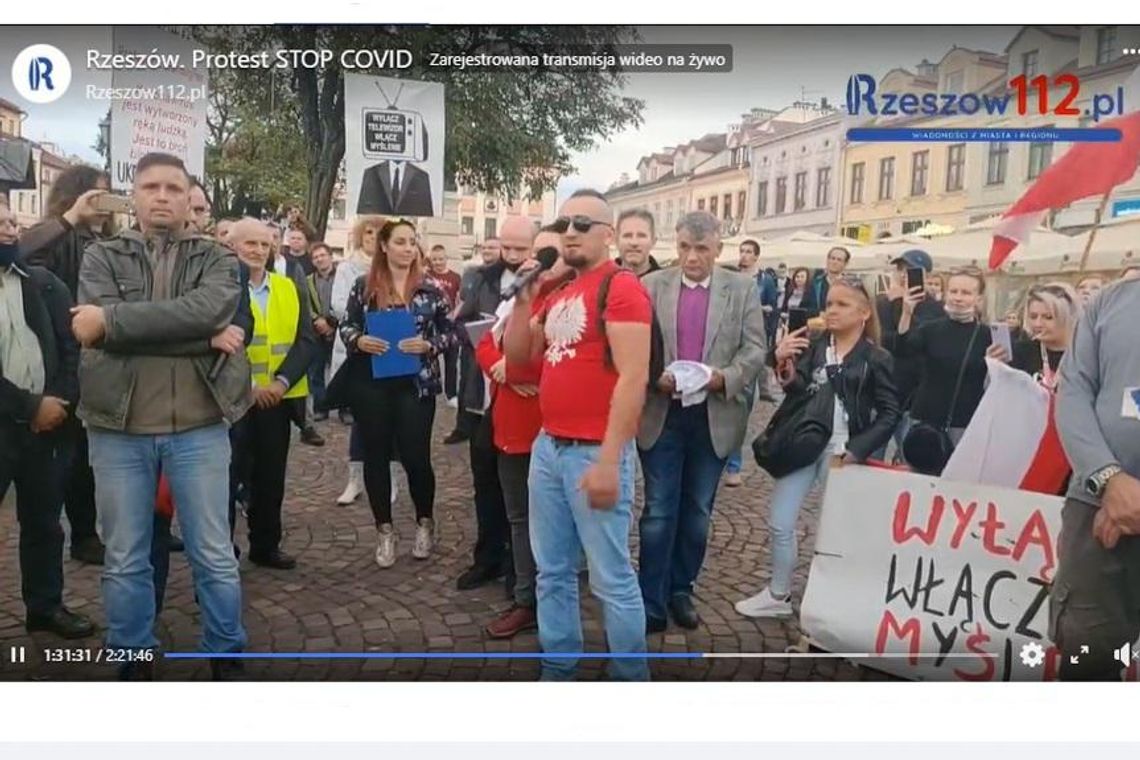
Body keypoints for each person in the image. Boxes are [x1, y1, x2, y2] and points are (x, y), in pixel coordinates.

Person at [73, 152, 250, 680]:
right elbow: (92, 336)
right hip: (118, 428)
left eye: (174, 187)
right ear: (135, 195)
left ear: (188, 195)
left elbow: (209, 311)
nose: (163, 196)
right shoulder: (100, 257)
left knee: (214, 553)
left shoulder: (218, 259)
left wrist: (114, 323)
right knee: (125, 557)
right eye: (151, 186)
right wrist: (202, 340)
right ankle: (132, 655)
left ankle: (226, 652)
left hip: (198, 424)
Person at [503, 188, 652, 681]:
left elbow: (634, 377)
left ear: (607, 234)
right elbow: (521, 355)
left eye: (582, 224)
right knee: (552, 573)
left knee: (611, 578)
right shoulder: (560, 290)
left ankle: (630, 679)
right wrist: (525, 296)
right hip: (549, 448)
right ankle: (558, 669)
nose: (569, 232)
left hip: (592, 453)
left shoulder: (622, 286)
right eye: (564, 223)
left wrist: (611, 459)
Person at [735, 277, 899, 618]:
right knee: (780, 522)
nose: (832, 311)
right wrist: (783, 367)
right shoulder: (815, 345)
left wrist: (856, 450)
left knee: (837, 531)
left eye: (843, 305)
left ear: (864, 313)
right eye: (830, 304)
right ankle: (778, 595)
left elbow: (889, 412)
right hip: (803, 443)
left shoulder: (877, 357)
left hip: (842, 452)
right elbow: (800, 391)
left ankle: (836, 602)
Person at [637, 212, 766, 632]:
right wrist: (653, 375)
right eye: (684, 249)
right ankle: (650, 598)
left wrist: (721, 378)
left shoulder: (742, 289)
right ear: (675, 247)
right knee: (658, 511)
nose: (691, 258)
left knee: (696, 511)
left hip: (714, 414)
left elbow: (754, 350)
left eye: (701, 249)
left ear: (718, 249)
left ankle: (681, 588)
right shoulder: (651, 287)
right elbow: (637, 346)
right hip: (662, 412)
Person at [325, 219, 457, 567]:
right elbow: (348, 324)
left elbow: (451, 331)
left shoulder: (429, 289)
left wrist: (429, 343)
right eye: (400, 241)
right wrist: (359, 340)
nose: (408, 248)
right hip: (373, 383)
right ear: (384, 246)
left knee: (416, 458)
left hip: (417, 385)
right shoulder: (363, 286)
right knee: (375, 455)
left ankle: (424, 522)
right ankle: (384, 530)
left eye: (412, 242)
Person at [0, 201, 96, 639]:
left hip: (47, 428)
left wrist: (58, 400)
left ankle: (45, 606)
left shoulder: (43, 284)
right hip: (9, 422)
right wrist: (28, 406)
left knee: (44, 524)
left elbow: (72, 347)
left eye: (9, 218)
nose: (8, 225)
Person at [18, 165, 113, 566]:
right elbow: (25, 256)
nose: (104, 205)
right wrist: (71, 217)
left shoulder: (106, 241)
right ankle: (74, 538)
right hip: (62, 360)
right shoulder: (56, 233)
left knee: (89, 460)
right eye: (98, 195)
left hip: (100, 358)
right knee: (63, 460)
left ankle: (87, 532)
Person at [476, 226, 567, 639]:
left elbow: (553, 362)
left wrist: (512, 369)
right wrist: (503, 368)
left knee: (553, 521)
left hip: (551, 425)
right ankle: (526, 597)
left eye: (545, 255)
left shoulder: (569, 299)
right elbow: (484, 342)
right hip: (511, 422)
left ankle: (549, 598)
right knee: (519, 517)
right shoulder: (519, 297)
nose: (533, 263)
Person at [1050, 272, 1140, 681]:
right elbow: (1073, 392)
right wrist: (1109, 480)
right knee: (1090, 658)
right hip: (1096, 510)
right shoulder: (1108, 304)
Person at [226, 218, 315, 570]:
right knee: (228, 479)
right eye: (250, 244)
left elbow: (305, 341)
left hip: (277, 400)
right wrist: (248, 388)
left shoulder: (287, 287)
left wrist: (280, 383)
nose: (259, 251)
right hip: (232, 400)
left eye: (265, 245)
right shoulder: (219, 288)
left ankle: (266, 544)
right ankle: (224, 553)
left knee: (271, 476)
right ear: (232, 247)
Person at [454, 221, 534, 591]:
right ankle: (487, 557)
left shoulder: (543, 282)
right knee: (484, 482)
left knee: (519, 490)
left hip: (522, 400)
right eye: (508, 247)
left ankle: (518, 565)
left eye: (522, 248)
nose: (514, 256)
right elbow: (460, 322)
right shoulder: (479, 278)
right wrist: (478, 334)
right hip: (482, 394)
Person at [896, 268, 1005, 475]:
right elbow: (902, 351)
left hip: (965, 424)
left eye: (966, 293)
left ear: (978, 298)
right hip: (924, 420)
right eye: (954, 291)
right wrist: (907, 311)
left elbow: (1001, 382)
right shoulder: (930, 329)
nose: (958, 298)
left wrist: (997, 364)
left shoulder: (988, 335)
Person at [330, 215, 400, 507]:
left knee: (395, 419)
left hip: (391, 350)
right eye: (367, 232)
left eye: (378, 233)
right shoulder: (348, 268)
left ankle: (392, 478)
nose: (372, 237)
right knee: (361, 419)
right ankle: (355, 480)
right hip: (360, 351)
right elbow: (338, 305)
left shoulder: (396, 268)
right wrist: (364, 328)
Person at [1009, 282, 1081, 496]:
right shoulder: (1020, 352)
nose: (1038, 323)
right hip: (1027, 449)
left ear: (1067, 316)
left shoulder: (1085, 355)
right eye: (1033, 316)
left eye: (1048, 317)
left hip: (1071, 454)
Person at [876, 250, 945, 459]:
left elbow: (913, 344)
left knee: (911, 458)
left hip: (914, 396)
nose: (904, 274)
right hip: (884, 390)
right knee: (870, 456)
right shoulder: (883, 302)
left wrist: (905, 308)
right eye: (900, 269)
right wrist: (897, 304)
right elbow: (883, 340)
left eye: (910, 269)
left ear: (926, 275)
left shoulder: (934, 308)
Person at [723, 237, 780, 487]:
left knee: (742, 407)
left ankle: (733, 465)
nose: (744, 255)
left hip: (752, 347)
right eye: (742, 251)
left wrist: (766, 312)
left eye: (749, 252)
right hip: (726, 349)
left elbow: (773, 310)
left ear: (756, 256)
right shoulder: (729, 277)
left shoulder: (764, 280)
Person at [266, 222, 323, 447]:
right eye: (266, 237)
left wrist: (306, 328)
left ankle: (306, 425)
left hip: (292, 334)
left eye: (274, 237)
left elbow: (303, 300)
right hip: (265, 335)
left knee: (300, 379)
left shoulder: (292, 267)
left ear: (281, 240)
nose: (270, 242)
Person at [445, 237, 504, 445]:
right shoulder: (473, 274)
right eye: (485, 247)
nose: (488, 250)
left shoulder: (509, 278)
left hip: (499, 344)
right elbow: (463, 308)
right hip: (473, 341)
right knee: (467, 386)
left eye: (493, 247)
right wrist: (466, 334)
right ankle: (464, 428)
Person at [424, 244, 461, 405]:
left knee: (452, 361)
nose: (438, 262)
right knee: (427, 357)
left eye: (440, 259)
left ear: (446, 259)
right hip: (431, 323)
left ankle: (451, 394)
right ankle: (428, 389)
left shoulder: (456, 277)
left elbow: (461, 299)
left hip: (450, 323)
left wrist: (456, 314)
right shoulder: (426, 275)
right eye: (434, 259)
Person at [306, 242, 338, 420]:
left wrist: (332, 324)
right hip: (317, 330)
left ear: (330, 256)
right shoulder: (308, 280)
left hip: (339, 329)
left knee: (341, 369)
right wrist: (317, 320)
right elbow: (305, 302)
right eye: (316, 257)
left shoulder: (342, 276)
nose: (319, 259)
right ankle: (321, 407)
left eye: (322, 255)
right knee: (316, 371)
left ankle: (345, 408)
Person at [615, 208, 662, 277]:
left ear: (653, 241)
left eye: (641, 236)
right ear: (616, 240)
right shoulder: (603, 280)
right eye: (627, 236)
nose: (634, 242)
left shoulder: (669, 285)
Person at [809, 246, 851, 315]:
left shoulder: (851, 286)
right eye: (832, 258)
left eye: (839, 260)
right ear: (827, 260)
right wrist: (818, 313)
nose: (834, 262)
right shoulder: (815, 283)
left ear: (845, 264)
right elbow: (805, 307)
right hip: (819, 324)